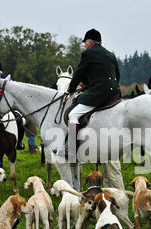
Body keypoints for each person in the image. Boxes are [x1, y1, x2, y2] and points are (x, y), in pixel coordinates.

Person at [59, 28, 121, 161]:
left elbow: (78, 74)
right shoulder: (110, 54)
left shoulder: (88, 53)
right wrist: (88, 84)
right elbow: (117, 75)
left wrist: (70, 89)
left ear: (90, 42)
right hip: (114, 92)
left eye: (85, 42)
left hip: (99, 92)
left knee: (73, 114)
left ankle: (71, 150)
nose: (84, 45)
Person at [0, 58, 27, 151]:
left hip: (8, 106)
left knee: (21, 120)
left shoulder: (7, 79)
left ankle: (19, 142)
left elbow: (12, 94)